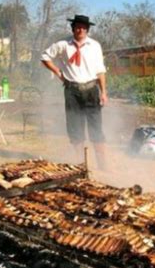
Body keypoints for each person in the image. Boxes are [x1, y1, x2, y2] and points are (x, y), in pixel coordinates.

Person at [41, 14, 108, 169]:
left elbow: (100, 71)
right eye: (77, 26)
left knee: (96, 129)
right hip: (72, 92)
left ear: (87, 29)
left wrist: (103, 92)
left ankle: (103, 166)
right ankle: (81, 165)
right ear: (73, 28)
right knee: (75, 130)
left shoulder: (95, 46)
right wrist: (58, 72)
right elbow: (45, 56)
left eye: (84, 27)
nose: (80, 29)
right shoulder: (63, 44)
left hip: (92, 91)